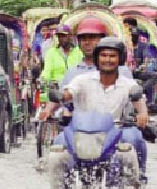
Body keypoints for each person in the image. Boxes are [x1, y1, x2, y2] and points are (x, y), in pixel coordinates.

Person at [56, 37, 150, 177]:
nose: (107, 60)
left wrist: (142, 114)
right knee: (58, 142)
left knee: (134, 136)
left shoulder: (128, 84)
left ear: (120, 59)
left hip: (114, 135)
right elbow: (69, 92)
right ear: (97, 58)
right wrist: (62, 96)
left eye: (112, 56)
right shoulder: (82, 80)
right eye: (104, 55)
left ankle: (139, 181)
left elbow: (139, 100)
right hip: (82, 134)